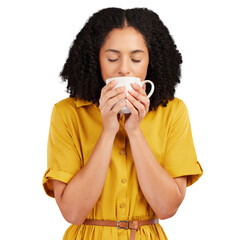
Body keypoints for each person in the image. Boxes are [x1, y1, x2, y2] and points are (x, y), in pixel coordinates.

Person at [43, 7, 203, 240]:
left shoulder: (174, 112)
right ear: (94, 58)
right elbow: (72, 212)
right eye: (112, 58)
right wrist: (108, 131)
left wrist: (135, 131)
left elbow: (167, 208)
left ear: (152, 60)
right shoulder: (67, 113)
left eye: (136, 58)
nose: (124, 68)